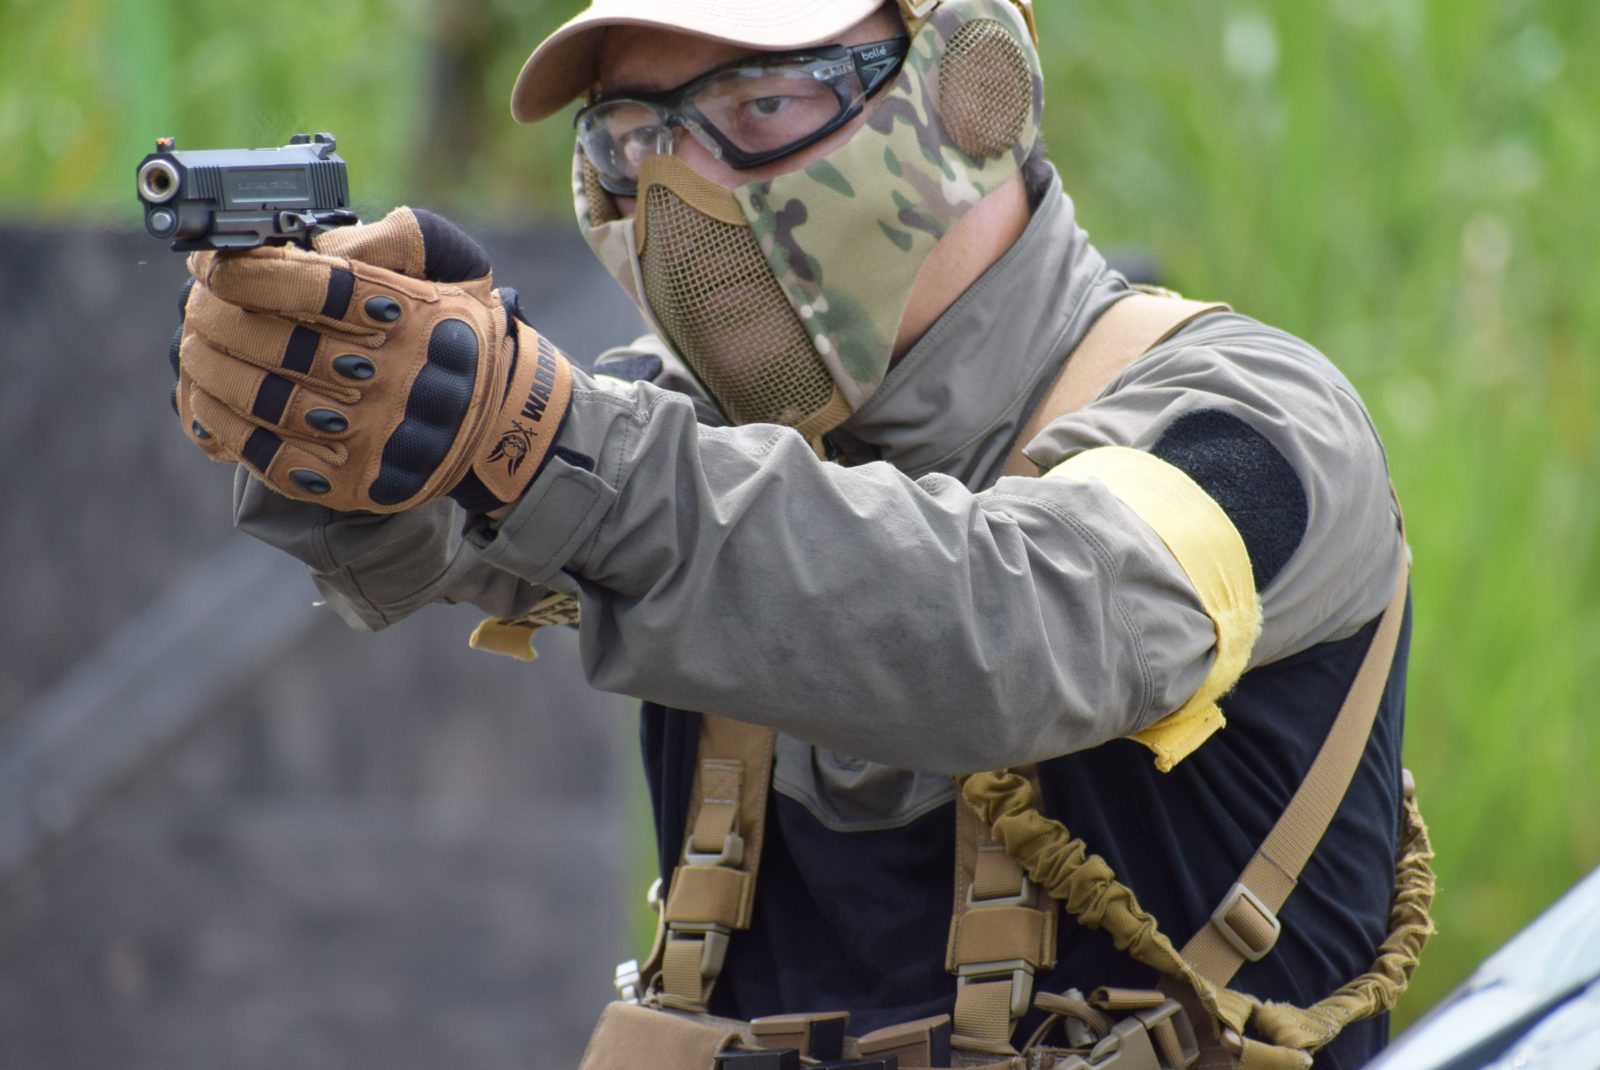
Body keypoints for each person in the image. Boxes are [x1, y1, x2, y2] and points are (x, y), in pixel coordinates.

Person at [169, 1, 1431, 1066]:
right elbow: (452, 540)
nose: (683, 186)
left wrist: (536, 432)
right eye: (633, 135)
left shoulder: (1253, 419)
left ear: (973, 92)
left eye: (760, 106)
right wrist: (353, 411)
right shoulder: (678, 427)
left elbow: (1021, 628)